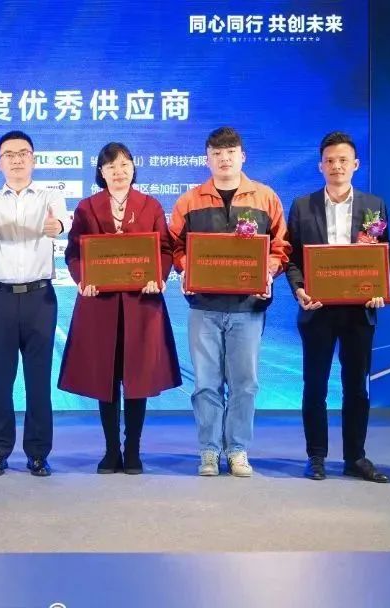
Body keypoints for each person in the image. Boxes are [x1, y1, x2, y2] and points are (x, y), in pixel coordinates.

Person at [169, 127, 290, 478]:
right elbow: (174, 246)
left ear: (243, 156)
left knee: (245, 383)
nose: (224, 159)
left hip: (247, 309)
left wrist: (267, 271)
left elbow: (281, 246)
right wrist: (186, 267)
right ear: (207, 159)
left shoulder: (265, 198)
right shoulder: (189, 201)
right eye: (217, 154)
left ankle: (237, 449)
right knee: (205, 383)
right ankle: (208, 450)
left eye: (231, 152)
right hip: (203, 308)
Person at [58, 142, 181, 474]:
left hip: (141, 303)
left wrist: (158, 276)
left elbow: (164, 249)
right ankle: (111, 450)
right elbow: (74, 253)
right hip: (100, 305)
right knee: (106, 377)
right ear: (101, 172)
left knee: (137, 377)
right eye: (111, 166)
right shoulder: (87, 207)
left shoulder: (150, 205)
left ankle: (134, 450)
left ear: (133, 168)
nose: (119, 171)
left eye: (125, 164)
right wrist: (83, 278)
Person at [285, 132, 390, 483]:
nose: (336, 166)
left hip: (359, 311)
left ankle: (355, 457)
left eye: (343, 160)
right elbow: (291, 258)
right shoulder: (303, 205)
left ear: (355, 164)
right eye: (330, 161)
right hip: (317, 309)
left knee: (356, 387)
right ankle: (316, 456)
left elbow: (383, 256)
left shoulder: (374, 205)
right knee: (314, 385)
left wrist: (378, 290)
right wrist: (299, 289)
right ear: (320, 166)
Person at [0, 130, 72, 477]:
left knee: (38, 381)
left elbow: (62, 222)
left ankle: (38, 453)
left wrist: (56, 225)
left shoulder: (49, 197)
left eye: (23, 153)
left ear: (33, 159)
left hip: (39, 299)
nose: (16, 160)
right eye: (9, 155)